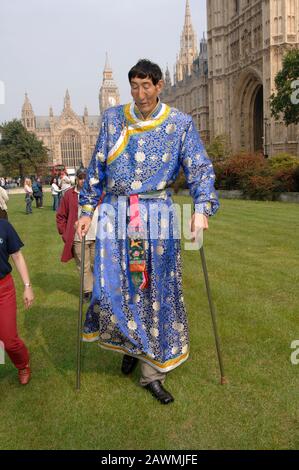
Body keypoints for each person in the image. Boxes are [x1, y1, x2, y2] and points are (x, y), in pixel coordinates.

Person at [76, 59, 219, 404]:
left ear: (159, 86)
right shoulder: (113, 120)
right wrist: (85, 209)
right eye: (134, 87)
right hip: (115, 216)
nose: (140, 94)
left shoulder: (180, 124)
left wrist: (201, 210)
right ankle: (130, 343)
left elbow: (200, 169)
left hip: (158, 218)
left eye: (146, 86)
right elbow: (96, 168)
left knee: (155, 291)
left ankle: (151, 372)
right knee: (113, 289)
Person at [56, 168, 99, 303]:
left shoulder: (97, 193)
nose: (83, 181)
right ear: (77, 179)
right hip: (78, 237)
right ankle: (88, 291)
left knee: (96, 265)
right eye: (80, 178)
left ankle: (98, 290)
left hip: (96, 235)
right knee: (83, 266)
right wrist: (65, 233)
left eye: (85, 178)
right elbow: (61, 216)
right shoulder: (69, 194)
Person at [0, 218, 34, 385]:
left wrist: (27, 286)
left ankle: (23, 365)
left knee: (9, 341)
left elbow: (17, 256)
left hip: (3, 289)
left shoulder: (3, 226)